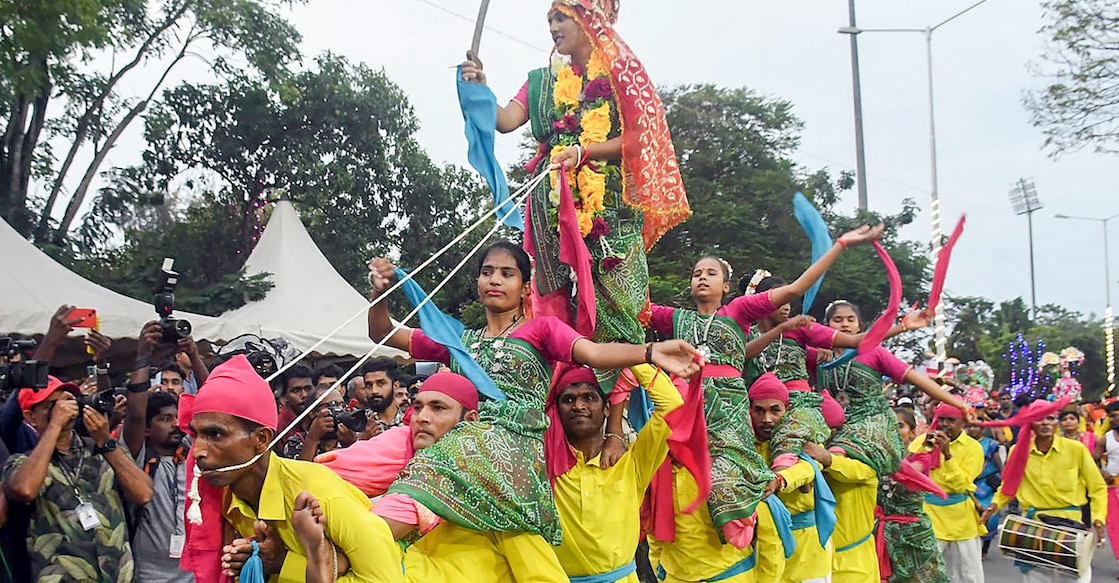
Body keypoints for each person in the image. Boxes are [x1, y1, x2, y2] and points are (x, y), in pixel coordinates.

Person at [366, 241, 700, 549]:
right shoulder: (458, 340)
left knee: (419, 479)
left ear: (525, 287)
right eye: (487, 272)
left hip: (512, 448)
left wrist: (650, 351)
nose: (495, 280)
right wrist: (380, 293)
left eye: (507, 274)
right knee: (369, 462)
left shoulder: (540, 330)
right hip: (462, 443)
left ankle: (364, 543)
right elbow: (383, 332)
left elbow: (595, 355)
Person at [460, 0, 690, 354]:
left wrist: (585, 153)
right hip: (548, 201)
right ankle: (563, 389)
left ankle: (619, 400)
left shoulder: (620, 72)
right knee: (554, 296)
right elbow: (505, 120)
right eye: (550, 18)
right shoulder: (543, 79)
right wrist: (480, 88)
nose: (552, 26)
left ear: (590, 19)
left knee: (617, 301)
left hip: (607, 208)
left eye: (561, 17)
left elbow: (640, 138)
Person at [643, 230, 882, 548]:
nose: (702, 278)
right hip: (689, 405)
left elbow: (796, 288)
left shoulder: (738, 311)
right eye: (697, 273)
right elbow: (635, 306)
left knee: (730, 485)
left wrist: (840, 245)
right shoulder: (672, 318)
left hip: (727, 409)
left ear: (725, 286)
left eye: (711, 273)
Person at [192, 355, 402, 582]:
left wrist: (283, 564)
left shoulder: (318, 492)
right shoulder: (224, 499)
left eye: (214, 434)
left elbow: (384, 579)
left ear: (261, 439)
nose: (197, 451)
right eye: (197, 435)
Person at [818, 300, 963, 583]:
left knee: (833, 458)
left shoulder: (874, 352)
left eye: (850, 319)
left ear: (859, 326)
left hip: (872, 429)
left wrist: (956, 403)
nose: (845, 324)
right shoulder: (820, 358)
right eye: (837, 320)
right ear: (827, 326)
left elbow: (917, 380)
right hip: (839, 431)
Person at [3, 376, 154, 582]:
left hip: (116, 574)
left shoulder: (101, 450)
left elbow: (144, 493)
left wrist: (105, 440)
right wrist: (55, 424)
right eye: (52, 405)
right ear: (31, 417)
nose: (64, 409)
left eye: (68, 401)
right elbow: (24, 489)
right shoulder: (22, 462)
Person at [551, 364, 682, 582]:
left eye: (589, 398)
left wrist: (631, 356)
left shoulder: (631, 461)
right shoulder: (546, 462)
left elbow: (673, 406)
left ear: (607, 409)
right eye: (568, 399)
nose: (579, 406)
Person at [980, 406, 1107, 583]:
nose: (1045, 423)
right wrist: (993, 506)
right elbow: (1008, 487)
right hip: (1033, 526)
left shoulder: (1076, 449)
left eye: (1050, 419)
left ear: (1057, 424)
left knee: (1076, 578)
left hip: (1069, 525)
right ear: (1031, 424)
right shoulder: (1018, 450)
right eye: (1040, 419)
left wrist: (1098, 517)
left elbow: (1097, 487)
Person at [122, 322, 196, 583]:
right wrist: (142, 355)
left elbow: (213, 408)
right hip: (150, 575)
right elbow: (134, 414)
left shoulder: (190, 451)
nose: (176, 424)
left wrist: (194, 357)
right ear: (146, 429)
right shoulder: (138, 456)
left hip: (192, 573)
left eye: (177, 417)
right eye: (165, 419)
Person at [748, 373, 831, 583]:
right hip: (763, 552)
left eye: (775, 410)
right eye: (759, 410)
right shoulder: (745, 446)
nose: (767, 419)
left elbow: (809, 469)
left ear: (787, 410)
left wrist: (779, 480)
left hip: (807, 554)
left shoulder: (803, 437)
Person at [908, 403, 986, 583]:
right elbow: (908, 470)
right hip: (929, 515)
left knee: (969, 574)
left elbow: (961, 485)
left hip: (961, 518)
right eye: (941, 419)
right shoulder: (923, 441)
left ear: (962, 423)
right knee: (926, 573)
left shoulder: (973, 448)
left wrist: (947, 455)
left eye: (951, 420)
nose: (944, 424)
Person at [968, 422, 1002, 559]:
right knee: (971, 515)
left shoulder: (991, 444)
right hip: (969, 483)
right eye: (970, 426)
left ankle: (985, 548)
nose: (972, 429)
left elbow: (999, 464)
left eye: (976, 426)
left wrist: (1004, 479)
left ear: (982, 428)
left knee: (990, 516)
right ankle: (973, 547)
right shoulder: (963, 443)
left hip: (986, 483)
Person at [1098, 400, 1119, 568]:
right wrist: (1103, 473)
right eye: (1110, 417)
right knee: (1114, 526)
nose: (1112, 420)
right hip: (1112, 487)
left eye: (1116, 416)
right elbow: (1093, 459)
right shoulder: (1104, 439)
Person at [362, 358, 405, 434]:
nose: (374, 391)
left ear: (395, 386)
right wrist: (363, 440)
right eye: (369, 385)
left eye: (381, 384)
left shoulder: (410, 423)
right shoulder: (359, 423)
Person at [275, 364, 314, 438]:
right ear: (284, 396)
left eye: (308, 389)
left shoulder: (317, 417)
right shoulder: (281, 426)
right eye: (296, 390)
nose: (304, 395)